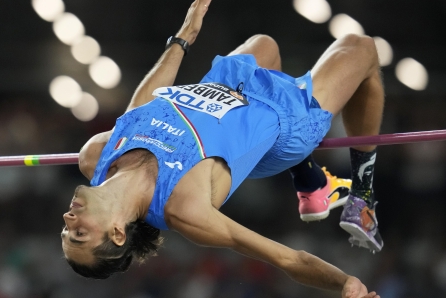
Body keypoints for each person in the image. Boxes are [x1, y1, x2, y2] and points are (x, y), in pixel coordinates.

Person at [61, 0, 383, 297]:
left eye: (65, 231)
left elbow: (139, 112)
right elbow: (287, 259)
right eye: (78, 234)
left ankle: (309, 180)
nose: (68, 218)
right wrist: (345, 282)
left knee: (264, 45)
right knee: (362, 48)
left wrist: (184, 36)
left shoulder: (96, 154)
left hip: (224, 88)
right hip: (281, 117)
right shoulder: (183, 208)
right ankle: (363, 199)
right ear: (117, 233)